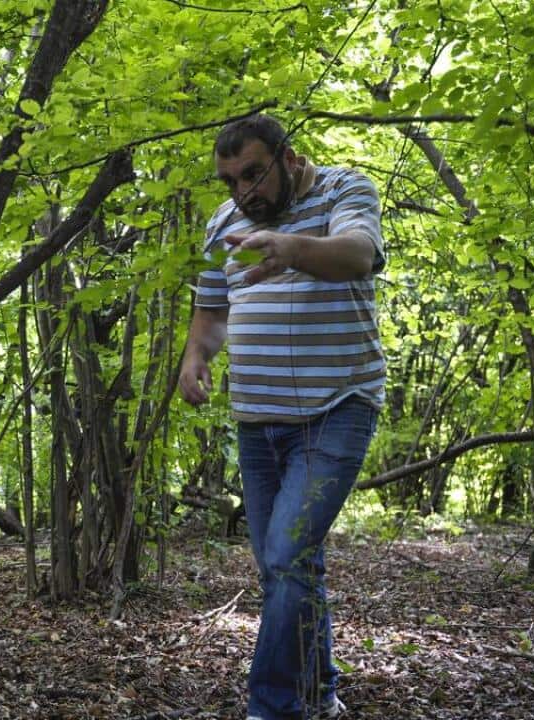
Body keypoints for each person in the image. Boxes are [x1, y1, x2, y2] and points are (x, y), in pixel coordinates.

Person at [178, 114, 385, 720]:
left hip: (336, 410)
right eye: (230, 181)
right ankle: (320, 694)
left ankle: (271, 709)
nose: (243, 193)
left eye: (253, 174)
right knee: (286, 569)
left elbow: (357, 255)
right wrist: (194, 357)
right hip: (255, 420)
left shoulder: (345, 190)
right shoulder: (223, 223)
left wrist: (291, 249)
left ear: (289, 158)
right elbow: (212, 309)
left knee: (287, 557)